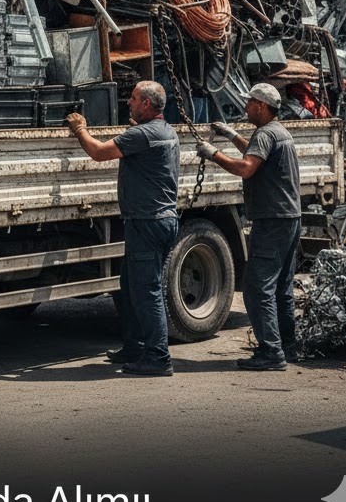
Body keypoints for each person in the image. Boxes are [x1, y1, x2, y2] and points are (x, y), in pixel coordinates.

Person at [66, 80, 181, 377]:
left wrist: (80, 128)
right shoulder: (165, 131)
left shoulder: (142, 134)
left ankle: (158, 357)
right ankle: (134, 346)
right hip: (159, 220)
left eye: (132, 98)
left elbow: (99, 152)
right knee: (130, 287)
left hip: (147, 222)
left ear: (146, 104)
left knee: (147, 291)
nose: (127, 102)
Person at [196, 83, 301, 371]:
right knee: (282, 288)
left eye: (250, 102)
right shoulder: (278, 132)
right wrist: (231, 136)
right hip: (288, 217)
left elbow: (246, 168)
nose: (246, 106)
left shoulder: (266, 134)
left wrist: (213, 154)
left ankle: (271, 353)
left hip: (272, 220)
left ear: (262, 106)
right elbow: (255, 153)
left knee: (258, 289)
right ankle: (287, 346)